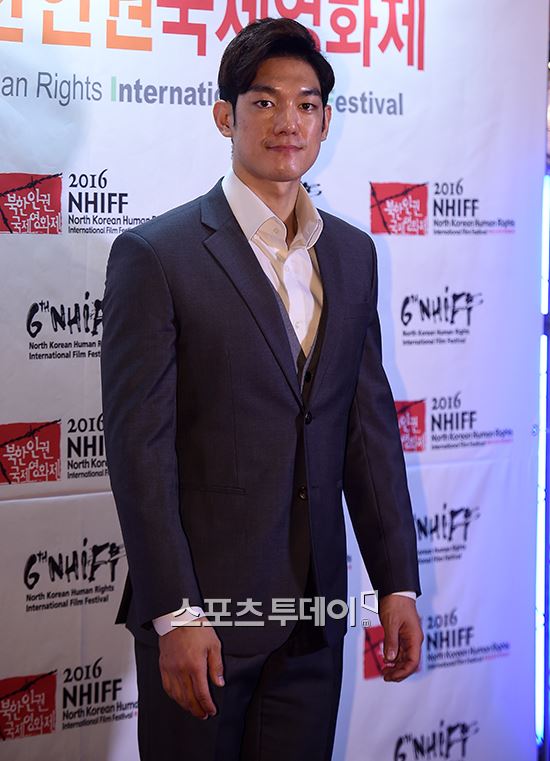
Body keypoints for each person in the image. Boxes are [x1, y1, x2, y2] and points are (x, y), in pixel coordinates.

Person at [101, 17, 422, 761]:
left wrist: (397, 583)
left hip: (313, 617)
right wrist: (175, 614)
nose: (289, 122)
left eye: (307, 104)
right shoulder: (157, 255)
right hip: (204, 621)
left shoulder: (352, 253)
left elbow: (367, 429)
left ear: (326, 122)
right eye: (266, 102)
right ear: (226, 116)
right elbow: (140, 452)